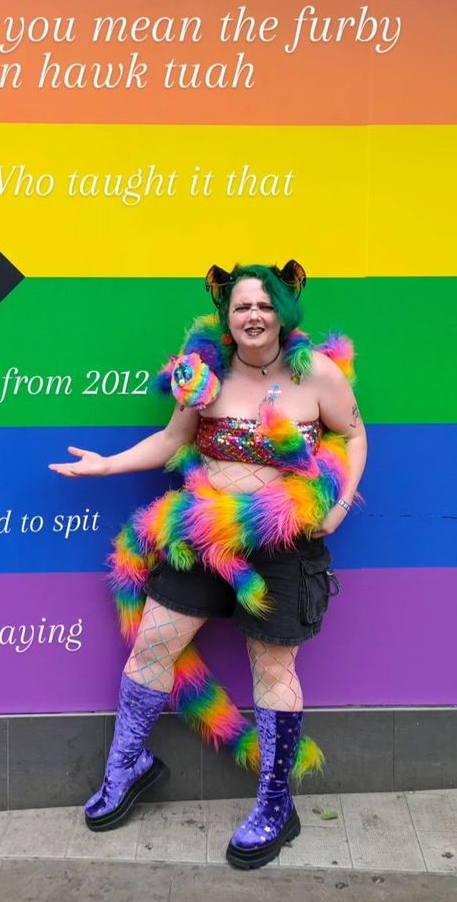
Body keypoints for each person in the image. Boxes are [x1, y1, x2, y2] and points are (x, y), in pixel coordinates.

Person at [49, 261, 367, 869]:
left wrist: (340, 505)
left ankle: (276, 803)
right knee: (151, 648)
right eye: (242, 306)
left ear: (284, 312)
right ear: (227, 315)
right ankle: (129, 766)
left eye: (264, 306)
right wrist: (105, 465)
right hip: (201, 536)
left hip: (282, 546)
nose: (253, 316)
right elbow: (171, 441)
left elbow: (354, 436)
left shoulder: (318, 376)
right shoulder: (205, 375)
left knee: (272, 671)